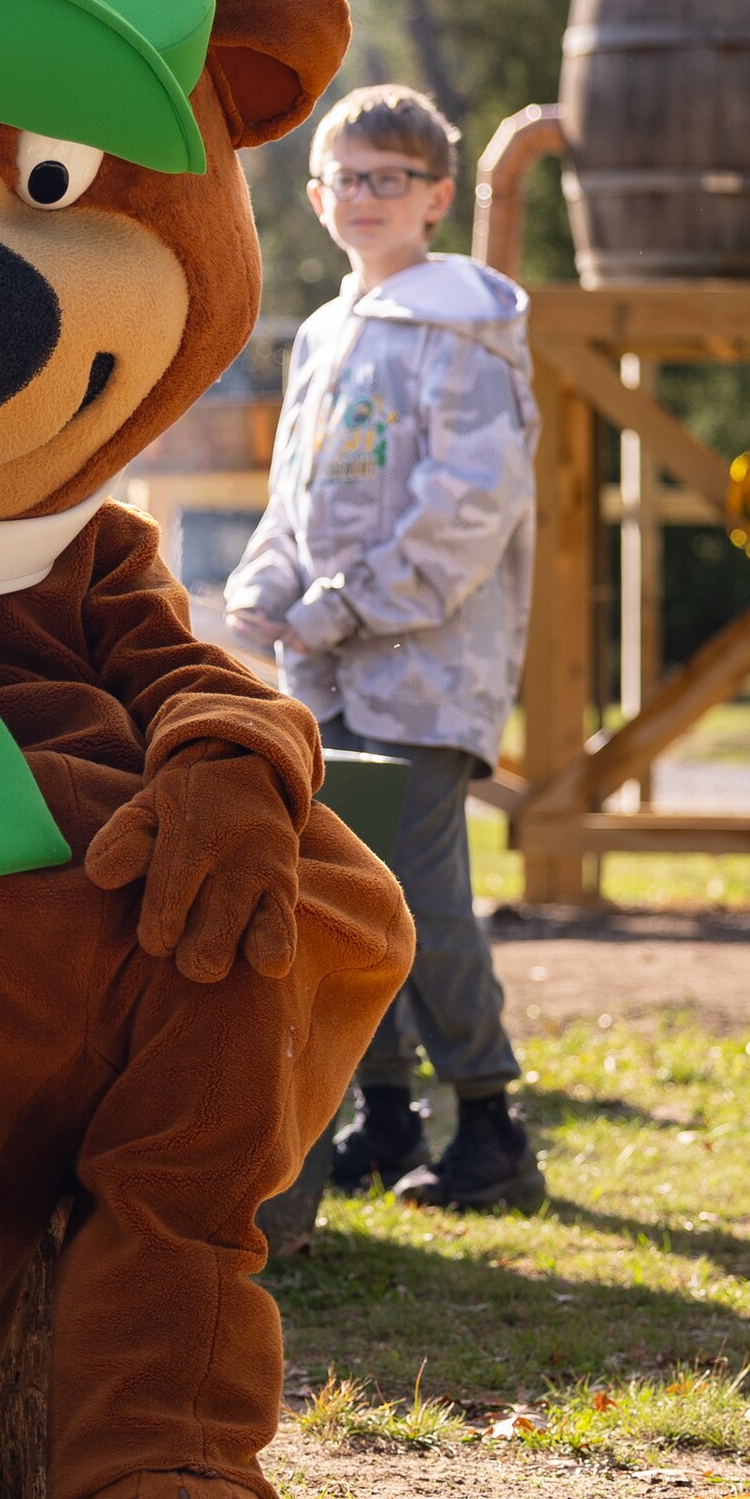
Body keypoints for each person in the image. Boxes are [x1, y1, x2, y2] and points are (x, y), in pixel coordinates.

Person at [226, 85, 548, 1211]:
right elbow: (297, 493)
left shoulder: (463, 328)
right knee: (335, 897)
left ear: (438, 197)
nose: (364, 198)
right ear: (315, 195)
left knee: (419, 898)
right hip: (320, 667)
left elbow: (468, 506)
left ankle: (493, 1120)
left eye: (389, 180)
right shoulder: (326, 332)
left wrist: (346, 602)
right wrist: (268, 586)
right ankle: (384, 1111)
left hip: (420, 673)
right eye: (345, 179)